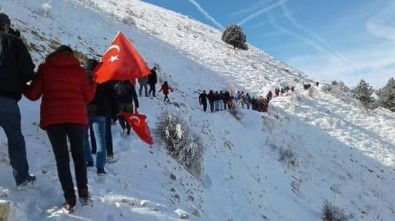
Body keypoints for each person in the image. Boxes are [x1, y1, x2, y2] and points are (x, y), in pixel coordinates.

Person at [23, 45, 96, 212]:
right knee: (79, 156)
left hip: (53, 119)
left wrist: (21, 85)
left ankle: (70, 199)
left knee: (62, 160)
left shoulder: (45, 68)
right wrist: (93, 83)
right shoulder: (78, 71)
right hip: (76, 118)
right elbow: (88, 97)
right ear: (71, 55)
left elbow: (33, 95)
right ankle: (83, 193)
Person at [0, 12, 36, 189]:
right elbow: (28, 72)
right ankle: (21, 178)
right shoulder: (14, 42)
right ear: (6, 26)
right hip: (7, 100)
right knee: (15, 140)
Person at [83, 59, 119, 174]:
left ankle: (88, 160)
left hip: (85, 112)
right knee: (101, 140)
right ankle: (100, 167)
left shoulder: (81, 79)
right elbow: (113, 97)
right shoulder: (104, 79)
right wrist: (114, 113)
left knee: (84, 137)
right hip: (101, 112)